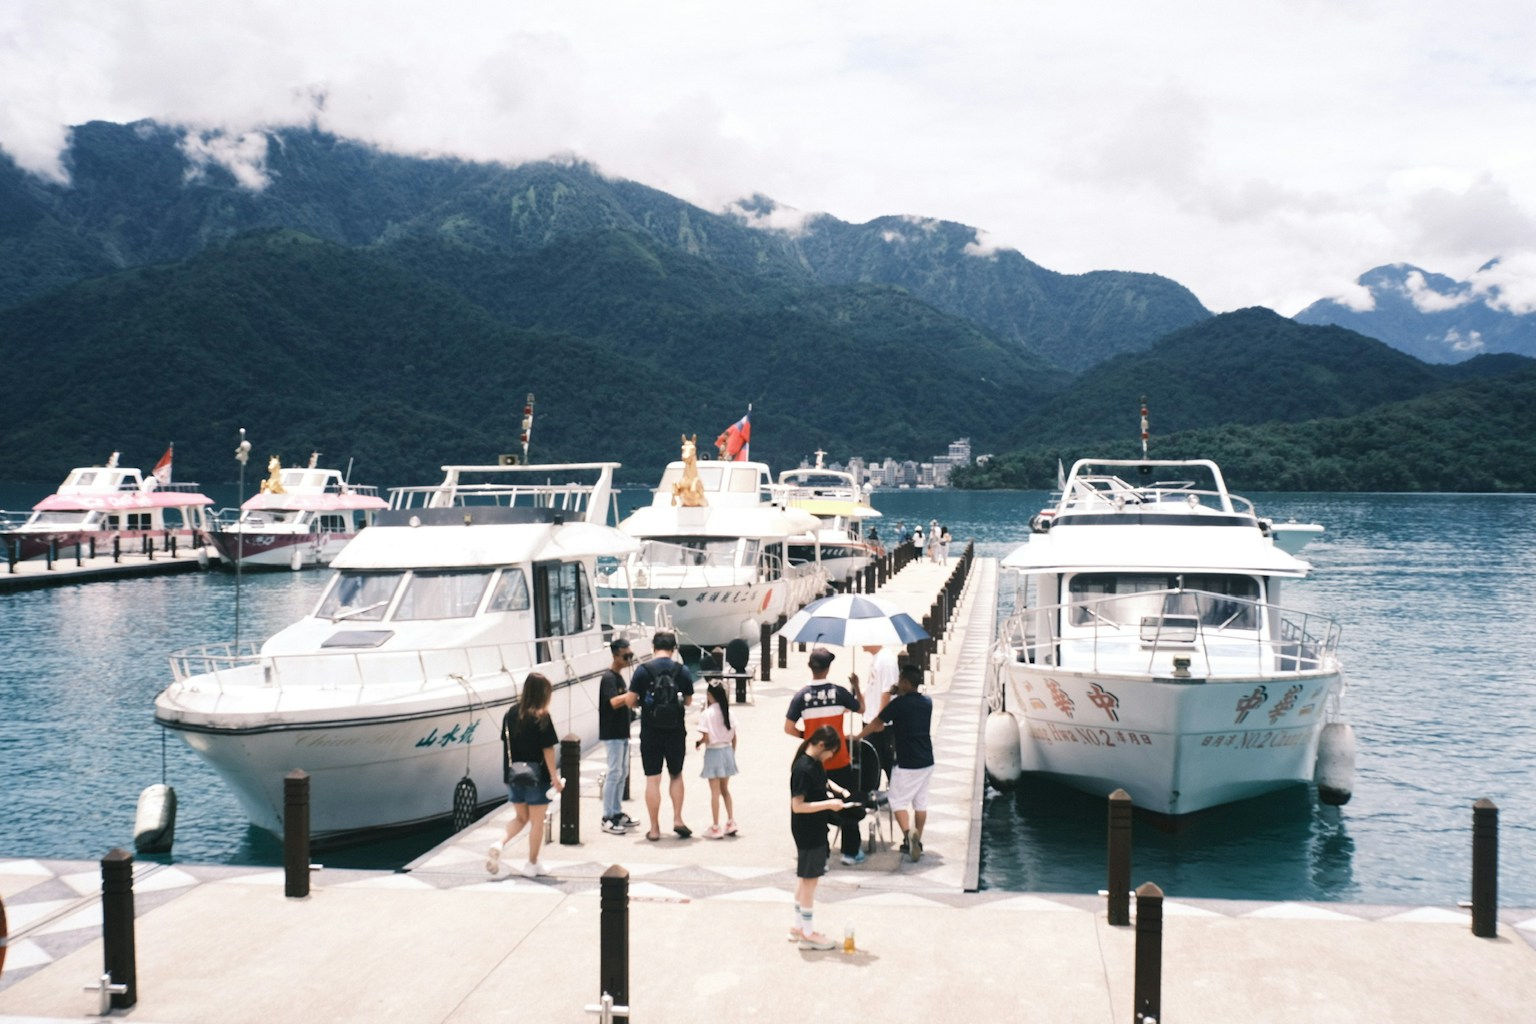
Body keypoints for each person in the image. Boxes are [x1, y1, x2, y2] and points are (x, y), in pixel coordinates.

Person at [784, 647, 867, 864]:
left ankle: (823, 853)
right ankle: (850, 852)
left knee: (816, 809)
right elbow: (861, 709)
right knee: (848, 805)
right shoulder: (839, 693)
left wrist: (808, 736)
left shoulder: (801, 696)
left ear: (810, 667)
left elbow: (788, 728)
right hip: (839, 759)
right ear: (828, 668)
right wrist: (856, 686)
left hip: (815, 763)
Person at [488, 672, 563, 878]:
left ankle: (499, 843)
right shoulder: (542, 716)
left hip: (514, 776)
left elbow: (507, 746)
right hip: (537, 778)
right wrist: (554, 778)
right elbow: (548, 750)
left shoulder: (510, 714)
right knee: (537, 822)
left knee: (521, 818)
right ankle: (531, 864)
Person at [857, 662, 934, 862]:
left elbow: (876, 723)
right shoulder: (927, 703)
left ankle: (908, 835)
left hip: (907, 761)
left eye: (900, 680)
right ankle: (919, 839)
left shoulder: (898, 704)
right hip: (927, 759)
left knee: (897, 800)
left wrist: (858, 737)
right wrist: (897, 693)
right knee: (920, 802)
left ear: (907, 683)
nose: (897, 682)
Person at [629, 630, 695, 841]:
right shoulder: (681, 670)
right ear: (674, 648)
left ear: (653, 647)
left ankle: (655, 828)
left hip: (650, 731)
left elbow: (630, 700)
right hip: (675, 731)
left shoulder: (643, 670)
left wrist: (644, 704)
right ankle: (677, 818)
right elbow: (688, 700)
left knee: (653, 778)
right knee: (676, 774)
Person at [788, 725, 846, 950]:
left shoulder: (813, 764)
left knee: (804, 877)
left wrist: (837, 789)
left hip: (811, 827)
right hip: (808, 828)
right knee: (810, 879)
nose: (830, 757)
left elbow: (822, 782)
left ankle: (798, 925)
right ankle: (808, 933)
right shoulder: (803, 768)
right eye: (830, 752)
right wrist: (829, 804)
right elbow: (798, 806)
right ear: (821, 745)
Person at [598, 638, 640, 835]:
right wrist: (632, 694)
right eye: (626, 656)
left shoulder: (619, 677)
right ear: (616, 655)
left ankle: (617, 812)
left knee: (622, 773)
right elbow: (613, 702)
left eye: (630, 655)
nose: (629, 659)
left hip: (622, 732)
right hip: (612, 733)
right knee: (614, 772)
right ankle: (607, 816)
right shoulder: (608, 678)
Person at [696, 681, 739, 838]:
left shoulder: (707, 714)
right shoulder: (729, 712)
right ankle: (731, 821)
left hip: (713, 752)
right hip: (727, 751)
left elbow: (706, 737)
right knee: (725, 790)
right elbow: (734, 737)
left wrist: (699, 743)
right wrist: (731, 754)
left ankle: (715, 826)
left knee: (714, 792)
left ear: (709, 695)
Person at [855, 643, 899, 787]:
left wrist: (880, 719)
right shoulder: (877, 658)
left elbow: (887, 691)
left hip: (881, 726)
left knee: (883, 766)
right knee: (871, 768)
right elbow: (872, 690)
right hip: (871, 721)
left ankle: (897, 803)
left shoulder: (886, 659)